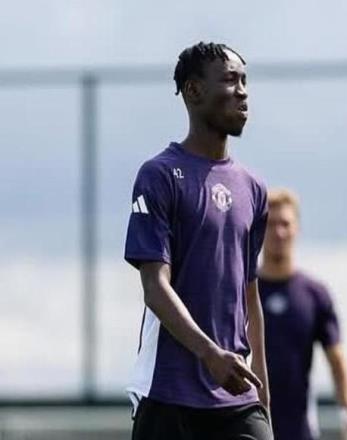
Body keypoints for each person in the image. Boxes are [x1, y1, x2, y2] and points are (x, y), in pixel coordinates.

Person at [124, 42, 273, 440]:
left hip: (236, 397)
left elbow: (249, 295)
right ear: (193, 91)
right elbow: (155, 287)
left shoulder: (253, 188)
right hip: (168, 393)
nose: (242, 92)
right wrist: (210, 354)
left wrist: (263, 393)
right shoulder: (159, 175)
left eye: (245, 81)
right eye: (230, 80)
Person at [258, 188, 347, 440]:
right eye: (271, 224)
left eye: (285, 224)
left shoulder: (314, 295)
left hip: (300, 431)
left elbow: (338, 363)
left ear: (297, 228)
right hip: (248, 429)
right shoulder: (242, 292)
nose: (278, 232)